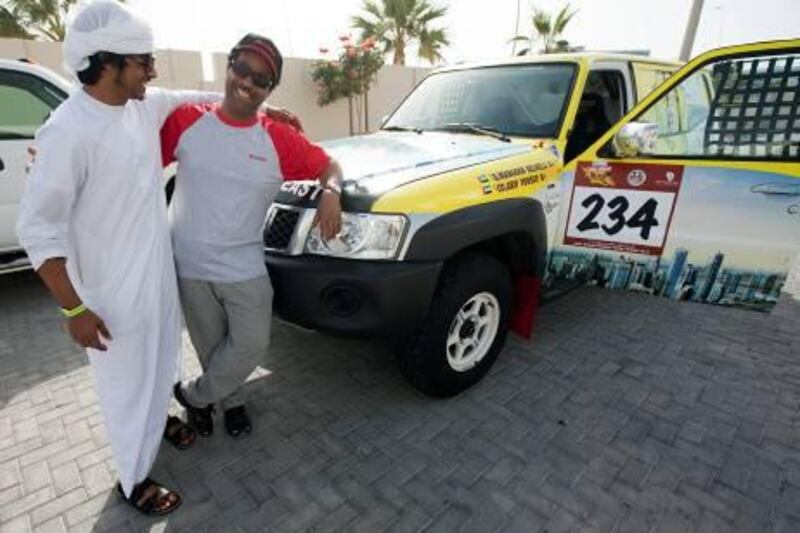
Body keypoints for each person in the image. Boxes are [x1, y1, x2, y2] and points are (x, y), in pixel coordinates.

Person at [15, 1, 297, 516]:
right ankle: (133, 477)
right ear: (109, 63)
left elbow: (202, 95)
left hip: (158, 273)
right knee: (126, 383)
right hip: (109, 292)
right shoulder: (66, 133)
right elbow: (38, 232)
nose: (153, 69)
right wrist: (74, 310)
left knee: (162, 360)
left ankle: (161, 418)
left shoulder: (139, 106)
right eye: (143, 61)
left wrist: (263, 110)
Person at [164, 34, 343, 439]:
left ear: (269, 89)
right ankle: (230, 403)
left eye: (261, 79)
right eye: (241, 68)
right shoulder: (186, 121)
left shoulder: (278, 138)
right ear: (227, 69)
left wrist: (330, 193)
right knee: (210, 345)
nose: (247, 81)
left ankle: (194, 395)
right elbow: (131, 151)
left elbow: (328, 165)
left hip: (243, 265)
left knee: (249, 344)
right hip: (190, 264)